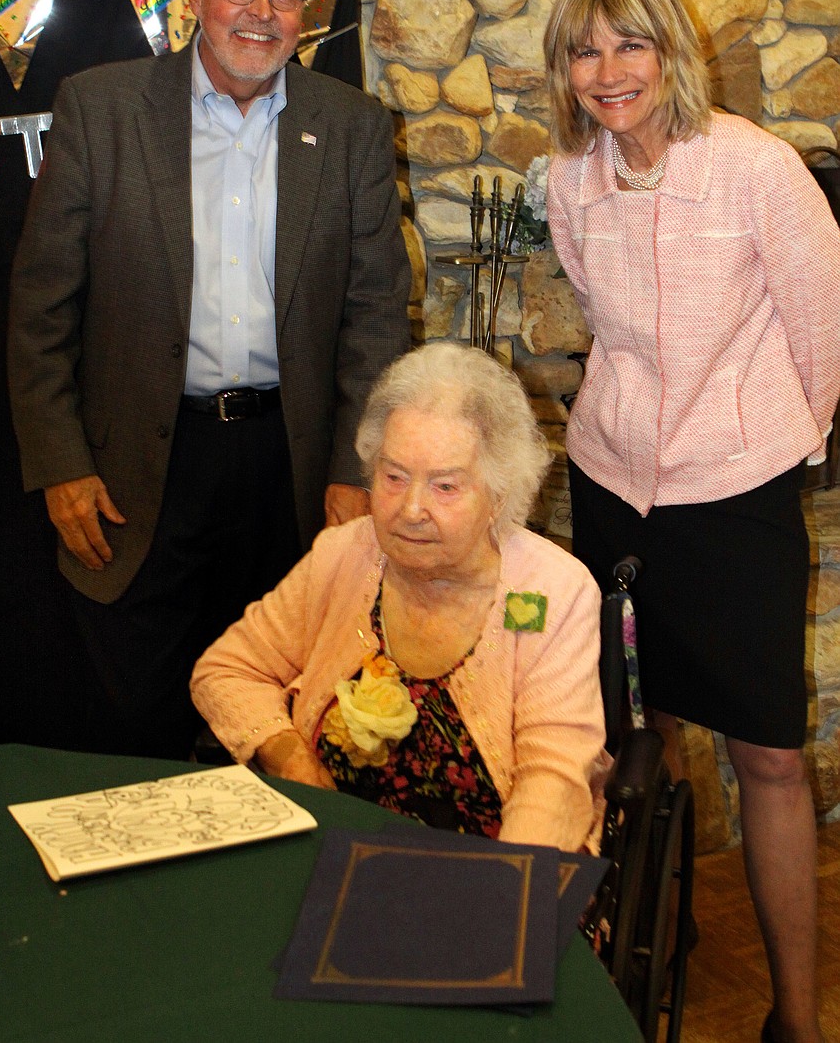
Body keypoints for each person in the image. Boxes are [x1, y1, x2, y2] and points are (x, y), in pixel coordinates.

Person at [7, 0, 411, 760]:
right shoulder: (101, 108)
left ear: (305, 7)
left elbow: (375, 319)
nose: (260, 14)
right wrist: (61, 466)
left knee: (279, 722)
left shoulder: (350, 128)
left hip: (290, 474)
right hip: (136, 473)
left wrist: (356, 468)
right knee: (134, 724)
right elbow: (41, 308)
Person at [543, 0, 840, 1043]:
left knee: (764, 747)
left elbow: (822, 331)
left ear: (670, 49)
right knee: (637, 734)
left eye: (629, 42)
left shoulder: (757, 169)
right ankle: (649, 952)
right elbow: (598, 319)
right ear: (563, 68)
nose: (608, 69)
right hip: (614, 485)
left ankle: (797, 1020)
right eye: (584, 47)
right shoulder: (566, 182)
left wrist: (765, 442)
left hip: (738, 490)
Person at [191, 342, 609, 849]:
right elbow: (227, 670)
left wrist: (503, 895)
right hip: (327, 851)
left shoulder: (551, 591)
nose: (411, 509)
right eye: (393, 477)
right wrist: (287, 755)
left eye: (445, 487)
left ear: (500, 492)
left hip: (485, 871)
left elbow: (553, 778)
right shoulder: (343, 555)